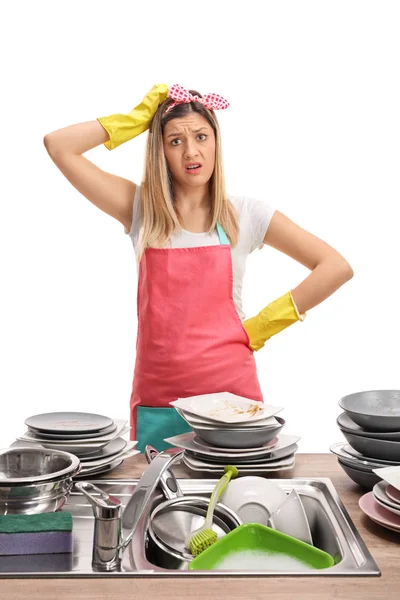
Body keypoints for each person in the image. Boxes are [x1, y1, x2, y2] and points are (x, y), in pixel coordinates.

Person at [44, 83, 354, 452]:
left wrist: (261, 326)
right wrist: (138, 118)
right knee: (163, 502)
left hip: (232, 398)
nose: (191, 151)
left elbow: (334, 266)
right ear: (160, 150)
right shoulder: (141, 209)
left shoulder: (246, 214)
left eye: (201, 136)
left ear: (216, 142)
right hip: (161, 397)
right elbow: (58, 144)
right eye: (175, 141)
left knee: (236, 500)